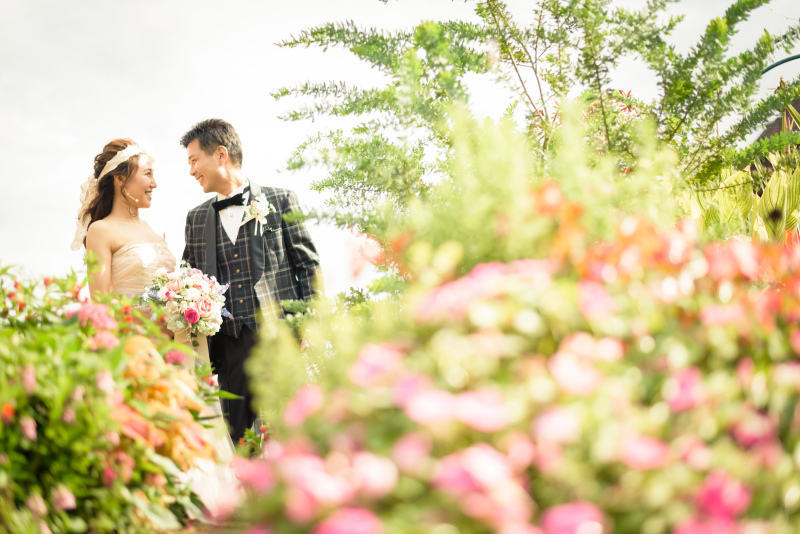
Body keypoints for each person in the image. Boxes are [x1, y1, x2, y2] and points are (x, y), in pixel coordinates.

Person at [72, 139, 238, 517]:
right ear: (120, 179)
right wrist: (153, 321)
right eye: (148, 174)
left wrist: (189, 302)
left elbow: (168, 287)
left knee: (187, 433)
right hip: (138, 354)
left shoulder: (154, 230)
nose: (155, 183)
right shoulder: (101, 231)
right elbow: (102, 304)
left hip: (178, 351)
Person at [181, 119, 322, 442]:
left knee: (292, 434)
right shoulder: (196, 218)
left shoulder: (282, 199)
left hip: (280, 338)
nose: (190, 171)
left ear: (220, 155)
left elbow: (309, 265)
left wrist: (308, 325)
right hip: (227, 349)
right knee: (240, 444)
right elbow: (188, 276)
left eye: (193, 160)